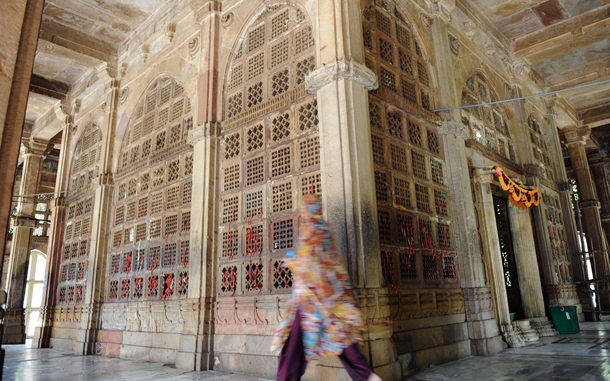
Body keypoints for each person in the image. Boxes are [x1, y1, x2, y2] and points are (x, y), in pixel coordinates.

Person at [271, 194, 382, 381]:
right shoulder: (326, 230)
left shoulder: (309, 229)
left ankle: (286, 378)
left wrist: (291, 262)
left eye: (304, 207)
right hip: (332, 297)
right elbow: (333, 263)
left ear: (307, 210)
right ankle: (368, 376)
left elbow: (307, 264)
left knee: (293, 347)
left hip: (309, 299)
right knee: (342, 339)